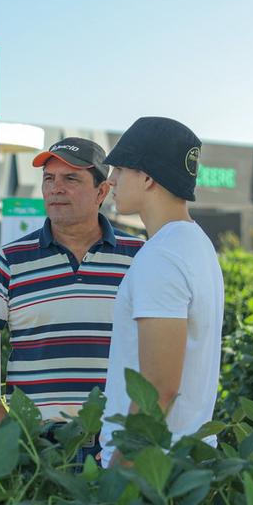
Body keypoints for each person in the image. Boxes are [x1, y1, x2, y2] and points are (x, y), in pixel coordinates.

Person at [0, 138, 145, 465]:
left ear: (102, 192)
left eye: (70, 179)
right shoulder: (11, 260)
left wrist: (134, 437)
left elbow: (161, 351)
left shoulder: (140, 257)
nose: (56, 188)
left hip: (117, 443)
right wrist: (2, 425)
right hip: (36, 447)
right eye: (49, 179)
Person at [100, 117, 225, 468]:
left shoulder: (162, 257)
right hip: (184, 460)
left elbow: (158, 389)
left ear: (148, 177)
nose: (110, 181)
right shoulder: (196, 244)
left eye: (120, 169)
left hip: (151, 469)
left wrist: (117, 476)